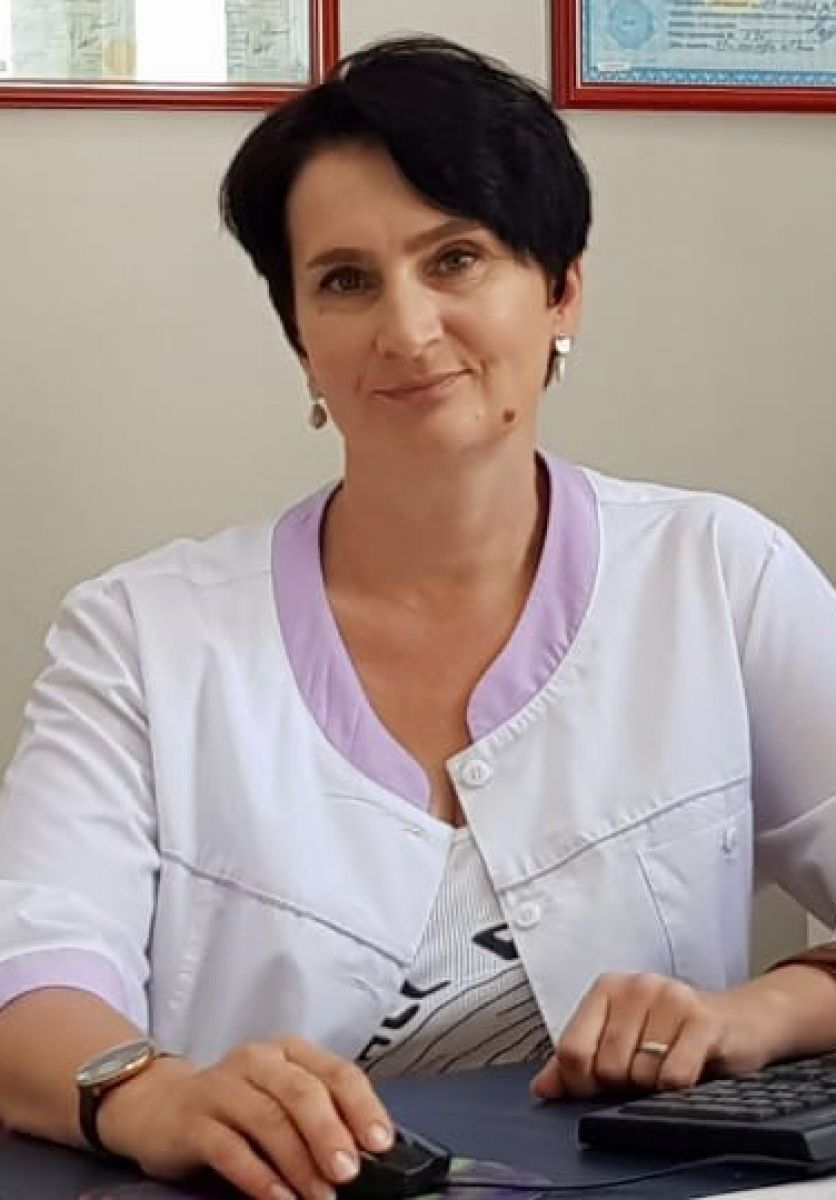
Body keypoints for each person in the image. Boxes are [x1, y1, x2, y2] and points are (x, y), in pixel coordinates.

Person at [0, 33, 835, 1200]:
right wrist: (152, 1097)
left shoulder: (718, 572)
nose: (405, 329)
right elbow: (31, 974)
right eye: (344, 281)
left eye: (456, 259)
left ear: (559, 290)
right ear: (301, 341)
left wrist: (760, 1012)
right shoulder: (140, 633)